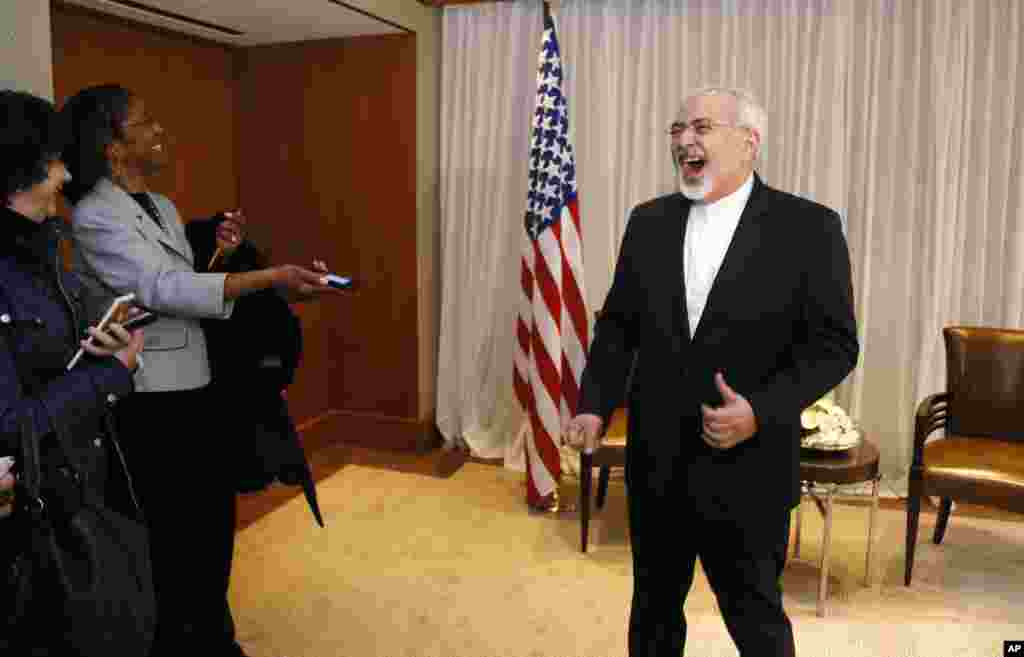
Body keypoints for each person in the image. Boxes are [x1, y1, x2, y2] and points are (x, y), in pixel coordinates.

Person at [564, 87, 859, 657]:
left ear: (750, 143)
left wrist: (762, 410)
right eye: (677, 130)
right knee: (652, 610)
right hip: (658, 466)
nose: (683, 141)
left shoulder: (809, 227)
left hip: (748, 471)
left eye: (700, 127)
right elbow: (620, 325)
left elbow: (835, 345)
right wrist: (594, 402)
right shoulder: (648, 222)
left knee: (755, 619)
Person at [59, 84, 338, 657]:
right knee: (169, 541)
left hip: (198, 387)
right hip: (146, 402)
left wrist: (221, 258)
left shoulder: (161, 206)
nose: (159, 131)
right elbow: (161, 289)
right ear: (114, 146)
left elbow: (181, 288)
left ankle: (214, 637)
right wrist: (270, 276)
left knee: (211, 530)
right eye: (145, 122)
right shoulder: (92, 217)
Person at [0, 89, 145, 652]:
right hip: (33, 520)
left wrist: (97, 351)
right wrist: (112, 375)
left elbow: (42, 364)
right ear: (22, 171)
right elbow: (10, 423)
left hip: (77, 484)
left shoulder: (45, 248)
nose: (65, 174)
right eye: (55, 160)